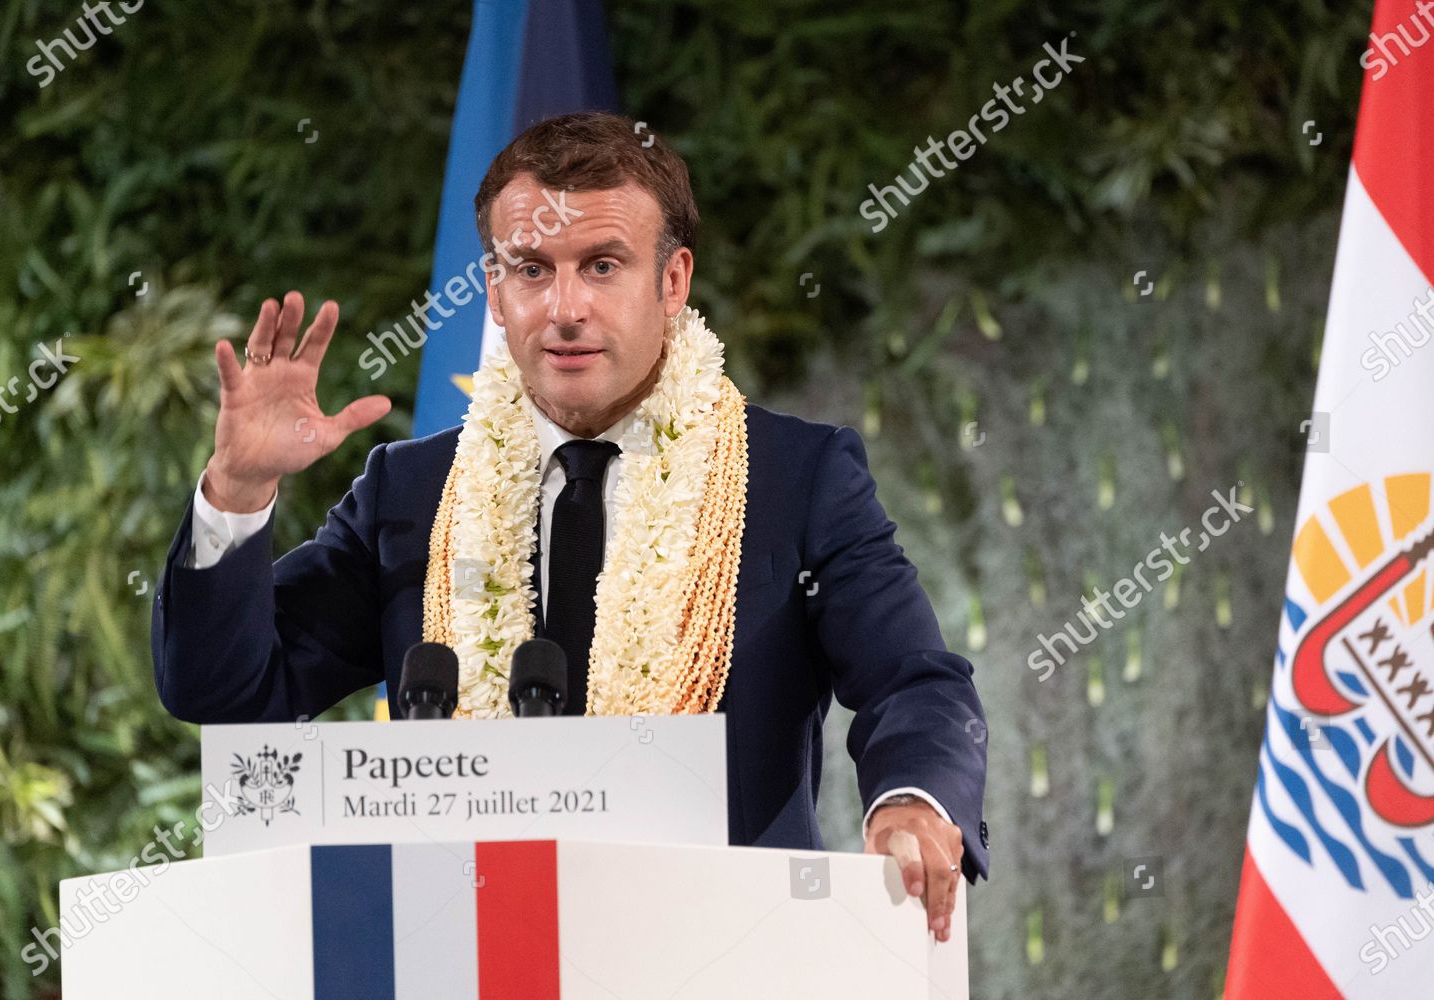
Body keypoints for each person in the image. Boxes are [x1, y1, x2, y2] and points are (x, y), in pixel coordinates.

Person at [151, 111, 988, 941]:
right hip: (466, 955)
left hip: (728, 956)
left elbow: (911, 680)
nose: (565, 308)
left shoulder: (797, 479)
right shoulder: (411, 493)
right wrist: (237, 488)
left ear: (672, 281)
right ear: (494, 290)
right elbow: (228, 693)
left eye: (601, 265)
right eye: (531, 269)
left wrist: (911, 799)